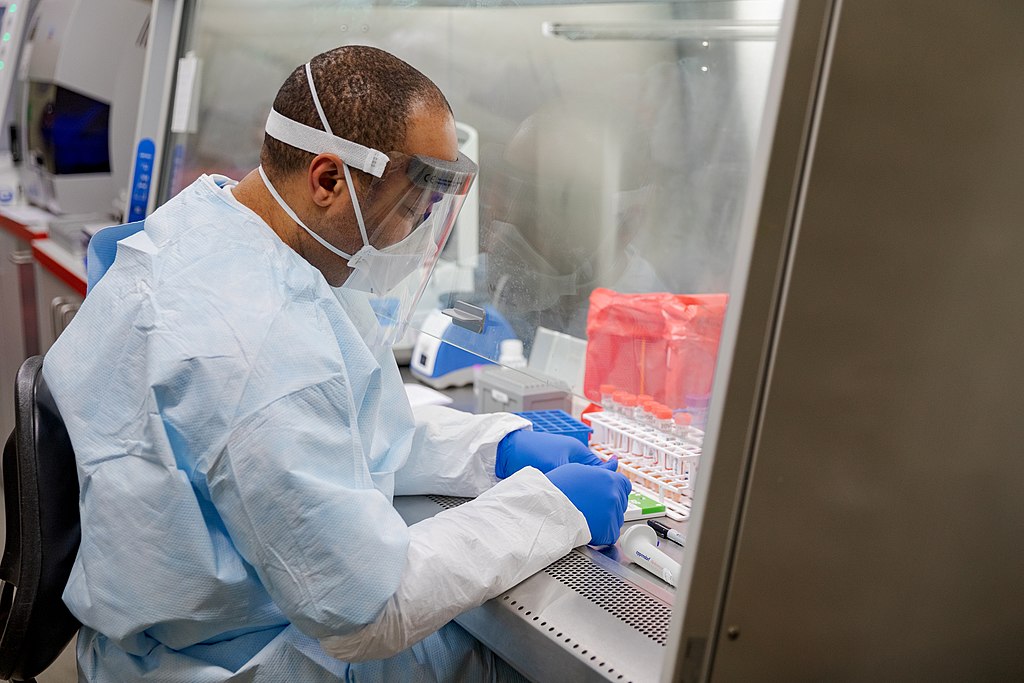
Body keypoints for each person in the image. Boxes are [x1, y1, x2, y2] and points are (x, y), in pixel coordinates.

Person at [43, 46, 631, 681]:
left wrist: (495, 450)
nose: (413, 234)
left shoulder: (213, 230)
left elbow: (333, 429)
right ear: (327, 180)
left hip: (167, 635)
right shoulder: (257, 342)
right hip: (230, 663)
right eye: (413, 206)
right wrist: (551, 510)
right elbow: (368, 611)